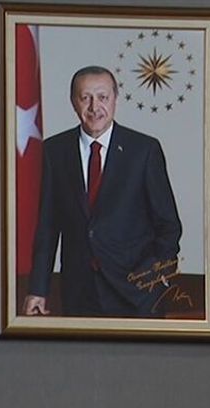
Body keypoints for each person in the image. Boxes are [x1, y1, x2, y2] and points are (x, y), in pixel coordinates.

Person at [23, 66, 183, 317]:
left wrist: (152, 276)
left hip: (137, 294)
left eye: (102, 97)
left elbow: (168, 225)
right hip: (79, 291)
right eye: (85, 97)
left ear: (115, 99)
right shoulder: (55, 151)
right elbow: (48, 227)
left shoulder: (144, 150)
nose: (94, 107)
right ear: (73, 102)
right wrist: (38, 289)